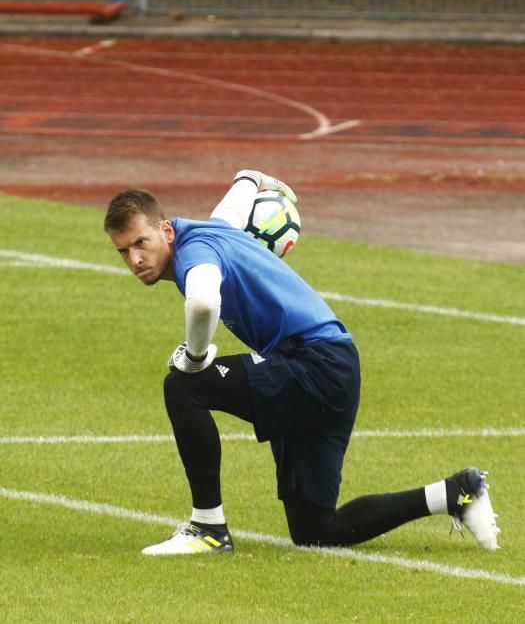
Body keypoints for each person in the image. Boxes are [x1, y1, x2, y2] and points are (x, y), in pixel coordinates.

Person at [104, 169, 499, 556]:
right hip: (333, 366)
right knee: (315, 529)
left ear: (167, 231)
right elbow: (242, 190)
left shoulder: (195, 252)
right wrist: (256, 179)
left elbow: (205, 301)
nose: (136, 258)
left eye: (142, 242)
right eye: (124, 250)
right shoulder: (216, 227)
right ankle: (456, 492)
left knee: (184, 385)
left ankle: (208, 527)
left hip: (314, 364)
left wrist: (195, 357)